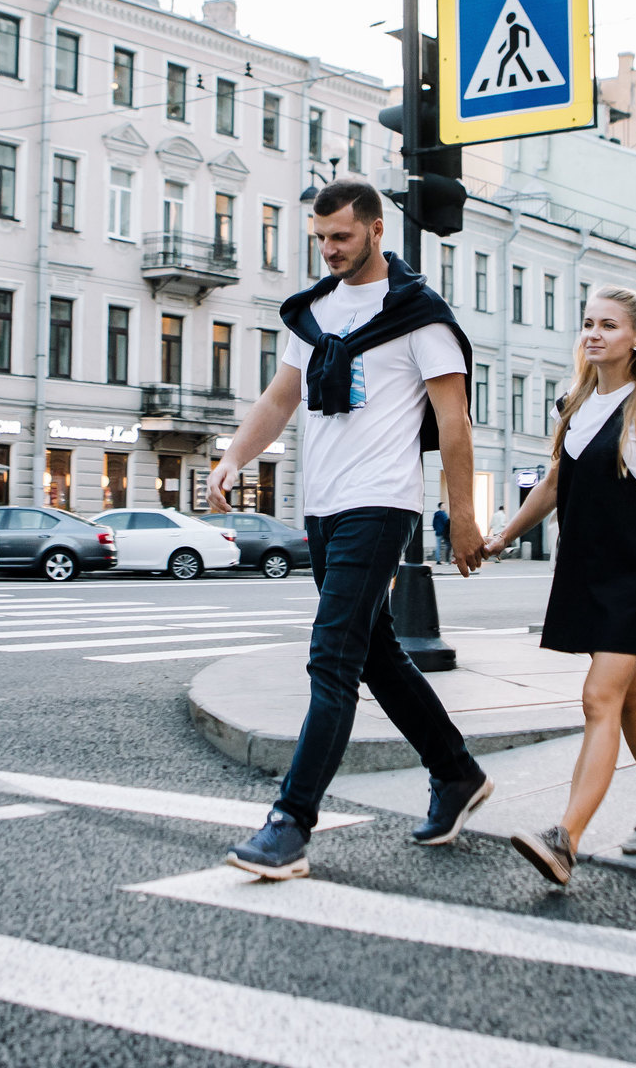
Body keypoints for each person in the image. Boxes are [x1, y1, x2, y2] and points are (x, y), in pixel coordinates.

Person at [208, 179, 491, 881]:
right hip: (325, 504)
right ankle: (456, 773)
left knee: (331, 656)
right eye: (320, 237)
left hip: (382, 501)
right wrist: (234, 455)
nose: (329, 249)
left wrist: (461, 516)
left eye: (340, 236)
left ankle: (289, 824)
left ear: (373, 230)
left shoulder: (419, 315)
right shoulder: (314, 314)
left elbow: (453, 423)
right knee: (376, 655)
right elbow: (281, 397)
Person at [484, 289, 636, 885]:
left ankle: (565, 838)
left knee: (598, 699)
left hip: (634, 575)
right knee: (630, 697)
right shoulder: (577, 403)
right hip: (585, 570)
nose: (593, 334)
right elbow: (554, 484)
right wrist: (504, 535)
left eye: (608, 325)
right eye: (588, 323)